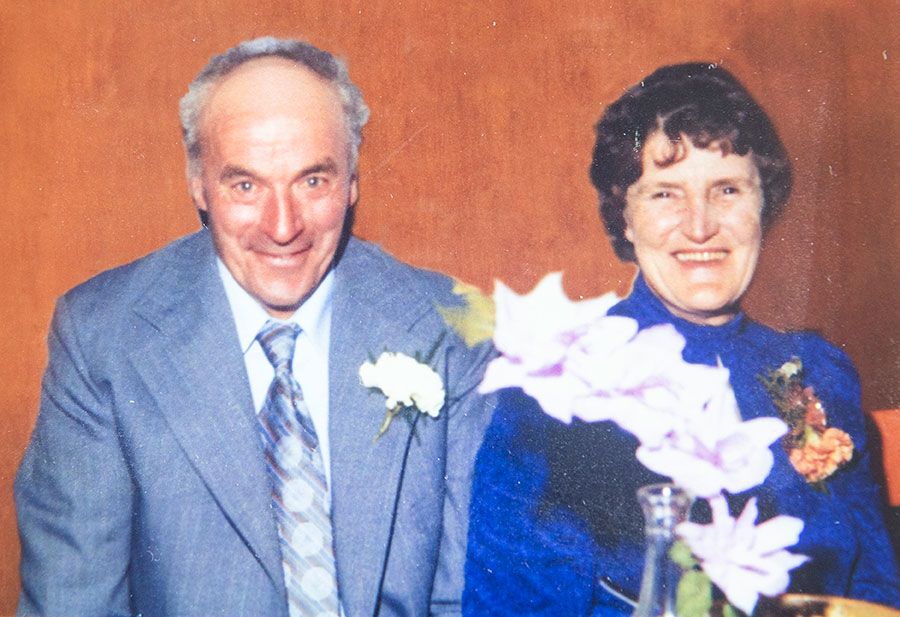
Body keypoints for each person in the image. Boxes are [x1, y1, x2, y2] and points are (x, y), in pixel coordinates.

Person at [15, 37, 494, 617]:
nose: (283, 226)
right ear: (198, 185)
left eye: (312, 181)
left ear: (352, 182)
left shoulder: (454, 328)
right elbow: (75, 601)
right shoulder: (103, 338)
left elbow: (473, 597)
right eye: (245, 186)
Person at [463, 63, 900, 614]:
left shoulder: (819, 372)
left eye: (727, 190)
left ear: (763, 206)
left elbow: (875, 591)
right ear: (625, 218)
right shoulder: (563, 387)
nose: (700, 226)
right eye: (665, 195)